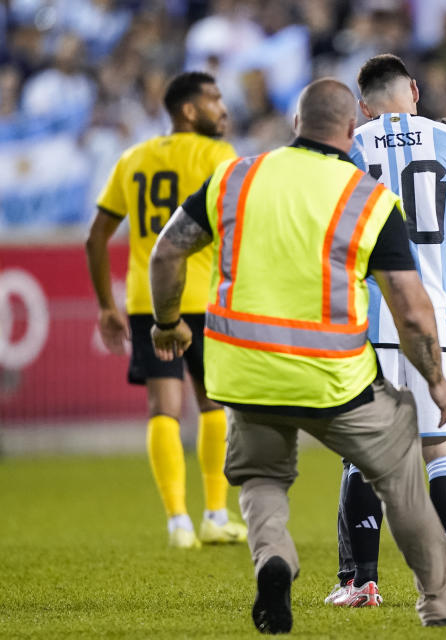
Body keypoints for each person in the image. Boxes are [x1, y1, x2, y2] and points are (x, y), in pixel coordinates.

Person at [147, 78, 446, 632]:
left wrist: (167, 324)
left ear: (296, 124)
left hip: (245, 372)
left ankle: (274, 557)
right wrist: (436, 378)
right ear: (352, 131)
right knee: (400, 471)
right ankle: (443, 603)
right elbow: (412, 307)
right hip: (334, 376)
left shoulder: (235, 177)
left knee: (262, 478)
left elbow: (167, 252)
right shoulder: (367, 197)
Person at [326, 54, 446, 608]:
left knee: (367, 452)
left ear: (364, 104)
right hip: (442, 323)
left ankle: (361, 583)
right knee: (445, 451)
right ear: (413, 90)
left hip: (375, 319)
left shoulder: (351, 147)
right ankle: (444, 585)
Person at [84, 71, 247, 549]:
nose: (223, 108)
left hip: (149, 301)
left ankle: (178, 522)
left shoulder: (133, 159)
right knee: (213, 402)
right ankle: (215, 514)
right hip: (207, 297)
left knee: (163, 409)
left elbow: (95, 236)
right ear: (189, 110)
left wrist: (105, 307)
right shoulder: (219, 156)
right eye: (215, 100)